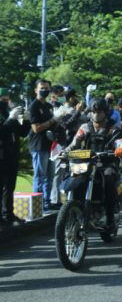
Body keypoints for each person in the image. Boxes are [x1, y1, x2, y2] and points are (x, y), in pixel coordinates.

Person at [65, 99, 122, 232]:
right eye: (93, 112)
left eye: (99, 112)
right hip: (87, 163)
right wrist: (65, 152)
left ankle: (110, 216)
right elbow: (74, 143)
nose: (96, 115)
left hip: (107, 163)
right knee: (73, 175)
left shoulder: (113, 129)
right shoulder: (85, 128)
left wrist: (121, 149)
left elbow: (121, 141)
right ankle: (73, 208)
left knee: (108, 176)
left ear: (106, 113)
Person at [0, 89, 31, 223]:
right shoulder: (7, 116)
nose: (5, 99)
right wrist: (10, 119)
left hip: (12, 153)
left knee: (10, 186)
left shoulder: (8, 112)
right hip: (2, 155)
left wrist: (27, 120)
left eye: (6, 97)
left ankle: (8, 214)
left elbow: (22, 133)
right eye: (2, 97)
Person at [29, 79, 58, 211]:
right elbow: (36, 128)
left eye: (47, 88)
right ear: (36, 89)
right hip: (39, 145)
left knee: (50, 176)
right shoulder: (33, 106)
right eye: (42, 88)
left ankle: (47, 201)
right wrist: (52, 120)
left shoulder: (49, 106)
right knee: (40, 176)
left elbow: (53, 124)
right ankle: (37, 205)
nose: (45, 90)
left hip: (51, 145)